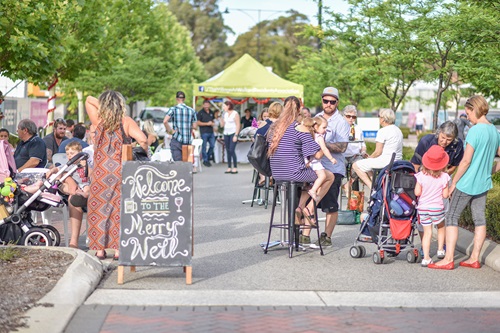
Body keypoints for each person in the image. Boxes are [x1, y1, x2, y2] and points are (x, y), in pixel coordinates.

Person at [429, 95, 500, 270]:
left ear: (473, 109)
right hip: (483, 183)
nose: (467, 117)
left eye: (468, 112)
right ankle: (474, 258)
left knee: (451, 217)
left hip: (467, 183)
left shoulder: (475, 131)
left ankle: (448, 259)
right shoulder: (494, 131)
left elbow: (466, 161)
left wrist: (453, 182)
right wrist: (488, 171)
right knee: (479, 219)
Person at [85, 90, 148, 260]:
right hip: (121, 171)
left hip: (100, 172)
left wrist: (106, 109)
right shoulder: (126, 122)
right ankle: (119, 249)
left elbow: (89, 99)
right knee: (119, 209)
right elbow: (143, 140)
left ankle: (99, 250)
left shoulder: (98, 120)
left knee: (99, 208)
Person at [268, 96, 333, 228]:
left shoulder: (274, 128)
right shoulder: (299, 127)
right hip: (294, 174)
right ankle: (308, 208)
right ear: (298, 110)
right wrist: (321, 141)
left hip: (277, 174)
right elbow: (318, 155)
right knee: (328, 176)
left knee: (310, 179)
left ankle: (300, 208)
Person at [300, 87, 349, 248]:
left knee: (330, 205)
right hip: (315, 167)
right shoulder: (316, 118)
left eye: (332, 102)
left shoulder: (341, 122)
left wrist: (320, 144)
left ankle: (326, 236)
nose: (328, 104)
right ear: (321, 101)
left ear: (337, 103)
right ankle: (305, 235)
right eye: (325, 101)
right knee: (310, 200)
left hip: (333, 169)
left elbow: (342, 147)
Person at [414, 145, 450, 267]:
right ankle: (440, 249)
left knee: (427, 232)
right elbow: (445, 195)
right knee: (441, 227)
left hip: (423, 208)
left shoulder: (420, 176)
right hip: (437, 208)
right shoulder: (445, 177)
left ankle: (426, 258)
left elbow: (417, 193)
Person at [352, 108, 403, 190]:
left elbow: (378, 152)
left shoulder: (383, 131)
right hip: (397, 161)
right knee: (367, 164)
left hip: (385, 161)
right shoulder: (398, 130)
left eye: (379, 116)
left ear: (383, 119)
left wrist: (369, 157)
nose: (379, 118)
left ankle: (372, 188)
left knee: (356, 165)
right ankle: (375, 184)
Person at [301, 116, 337, 202]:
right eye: (324, 127)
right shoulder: (319, 137)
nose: (325, 130)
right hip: (315, 162)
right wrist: (331, 158)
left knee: (315, 178)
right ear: (316, 127)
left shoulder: (309, 136)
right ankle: (313, 190)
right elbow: (324, 149)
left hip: (308, 161)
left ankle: (310, 189)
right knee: (323, 176)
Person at [163, 91, 197, 161]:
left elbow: (165, 121)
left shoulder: (173, 109)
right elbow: (195, 126)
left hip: (177, 139)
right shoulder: (191, 110)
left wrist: (171, 131)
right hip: (188, 140)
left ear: (176, 99)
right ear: (184, 99)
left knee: (178, 164)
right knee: (187, 163)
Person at [342, 105, 367, 198]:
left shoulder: (358, 129)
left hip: (355, 156)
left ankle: (347, 185)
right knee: (337, 166)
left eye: (353, 117)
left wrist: (364, 152)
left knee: (360, 165)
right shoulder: (340, 127)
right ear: (343, 116)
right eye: (348, 116)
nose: (351, 119)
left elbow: (363, 145)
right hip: (342, 155)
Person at [220, 101, 241, 174]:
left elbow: (238, 125)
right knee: (228, 150)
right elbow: (222, 125)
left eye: (224, 106)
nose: (223, 108)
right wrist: (221, 118)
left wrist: (236, 135)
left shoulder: (235, 113)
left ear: (228, 106)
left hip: (233, 133)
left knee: (232, 150)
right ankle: (229, 167)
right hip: (226, 133)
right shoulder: (224, 114)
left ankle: (235, 167)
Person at [196, 100, 215, 167]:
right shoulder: (200, 113)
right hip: (204, 132)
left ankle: (207, 156)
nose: (206, 106)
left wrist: (212, 124)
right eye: (205, 105)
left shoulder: (211, 112)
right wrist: (207, 123)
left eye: (208, 105)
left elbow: (213, 121)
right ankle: (205, 160)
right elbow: (198, 123)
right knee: (204, 146)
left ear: (209, 105)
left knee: (212, 145)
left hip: (211, 132)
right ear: (203, 105)